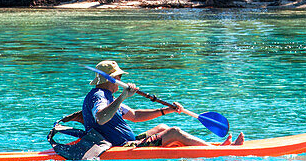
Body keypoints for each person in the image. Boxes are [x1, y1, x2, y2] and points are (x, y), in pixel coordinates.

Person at [83, 59, 244, 147]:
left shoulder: (107, 96)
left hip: (128, 141)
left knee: (163, 128)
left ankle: (206, 146)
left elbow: (135, 115)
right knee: (174, 131)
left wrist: (167, 110)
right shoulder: (100, 96)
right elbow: (100, 118)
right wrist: (123, 97)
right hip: (123, 146)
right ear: (110, 79)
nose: (120, 81)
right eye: (119, 78)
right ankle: (216, 150)